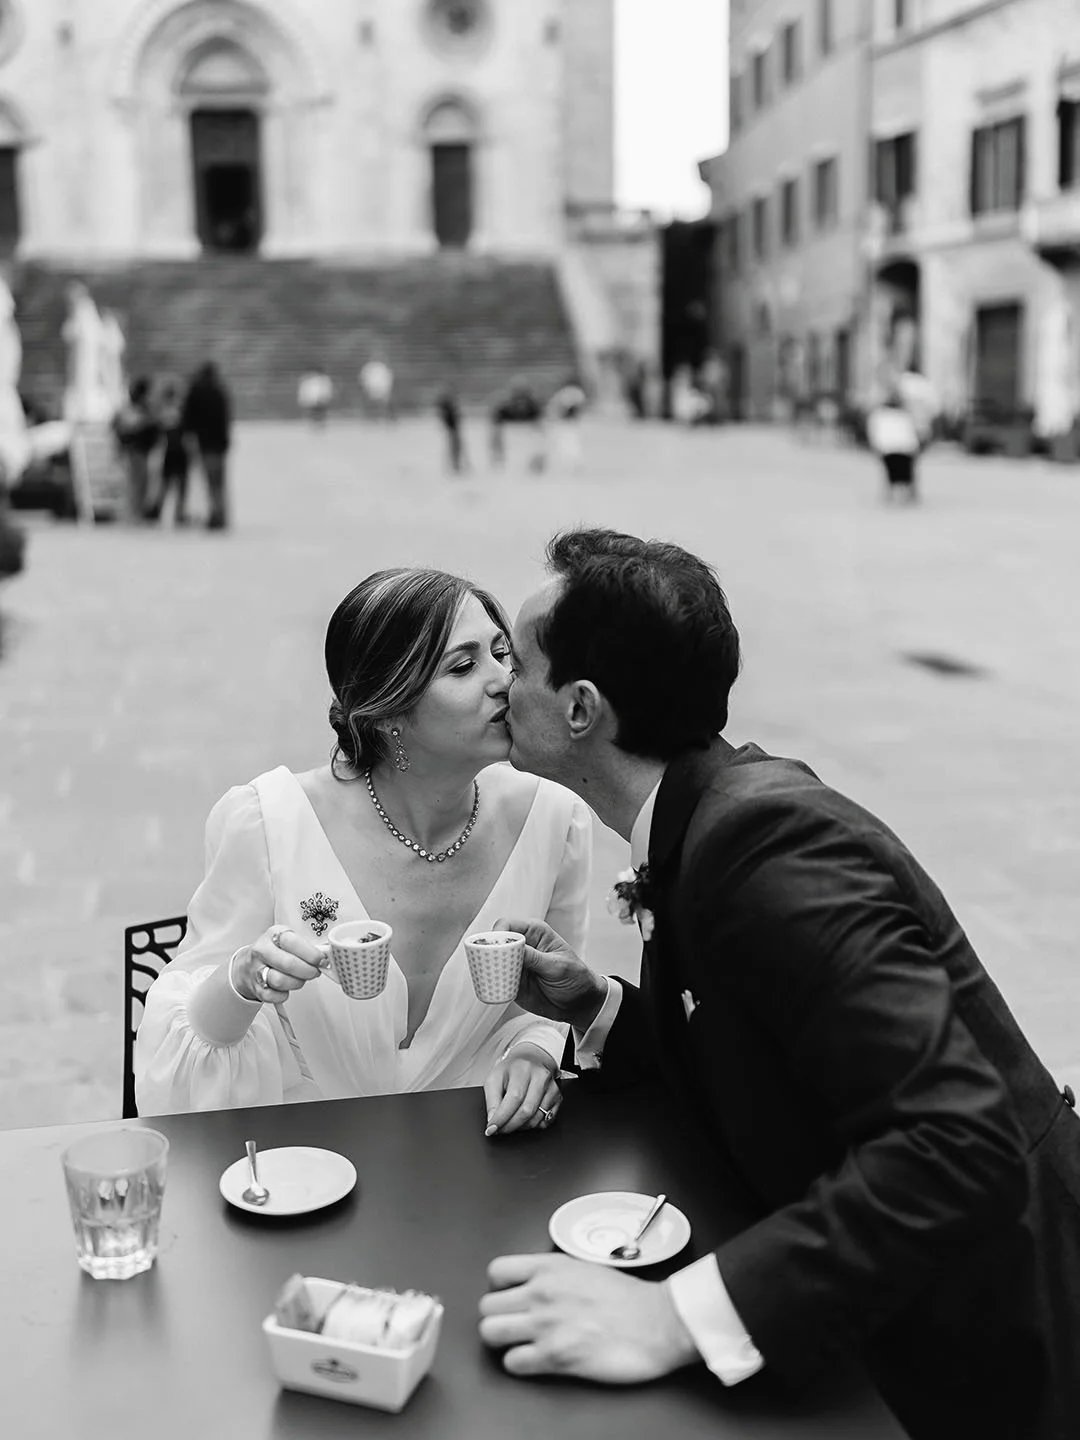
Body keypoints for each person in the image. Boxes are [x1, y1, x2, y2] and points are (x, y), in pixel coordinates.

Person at [478, 527, 1080, 1440]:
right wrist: (597, 1008)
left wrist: (670, 1318)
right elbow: (765, 1036)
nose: (497, 684)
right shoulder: (702, 813)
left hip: (984, 1333)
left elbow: (959, 1138)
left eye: (515, 662)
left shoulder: (768, 847)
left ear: (580, 709)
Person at [134, 567, 591, 1131]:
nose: (504, 682)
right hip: (308, 1170)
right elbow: (182, 1059)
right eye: (464, 665)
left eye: (504, 654)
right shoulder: (269, 823)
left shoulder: (553, 819)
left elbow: (554, 1004)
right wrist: (241, 981)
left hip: (481, 1156)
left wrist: (536, 1050)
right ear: (389, 711)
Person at [182, 362, 232, 530]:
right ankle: (220, 513)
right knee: (219, 481)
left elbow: (188, 419)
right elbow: (225, 419)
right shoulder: (219, 391)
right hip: (218, 444)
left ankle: (216, 513)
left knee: (211, 481)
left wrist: (189, 437)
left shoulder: (196, 392)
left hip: (205, 443)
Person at [113, 377, 160, 522]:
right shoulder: (135, 409)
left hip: (143, 450)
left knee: (141, 482)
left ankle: (137, 511)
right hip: (135, 449)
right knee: (136, 482)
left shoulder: (143, 408)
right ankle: (134, 512)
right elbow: (125, 427)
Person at [867, 386, 922, 504]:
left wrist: (876, 447)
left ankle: (893, 493)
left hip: (889, 448)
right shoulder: (905, 414)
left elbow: (874, 431)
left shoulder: (880, 414)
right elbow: (914, 431)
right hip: (905, 448)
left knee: (893, 472)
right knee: (905, 473)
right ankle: (906, 494)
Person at [149, 381, 191, 526]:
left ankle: (159, 509)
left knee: (167, 483)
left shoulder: (163, 412)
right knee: (178, 484)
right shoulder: (179, 411)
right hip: (177, 450)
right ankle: (178, 512)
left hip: (170, 451)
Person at [436, 386, 468, 475]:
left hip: (454, 430)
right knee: (454, 449)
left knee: (456, 448)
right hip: (452, 431)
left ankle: (456, 466)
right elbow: (451, 419)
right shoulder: (447, 408)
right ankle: (455, 466)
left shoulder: (449, 408)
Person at [359, 356, 395, 421]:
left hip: (382, 390)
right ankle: (371, 417)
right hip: (372, 390)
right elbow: (364, 379)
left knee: (388, 401)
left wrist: (385, 390)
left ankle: (390, 417)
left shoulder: (383, 367)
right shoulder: (368, 367)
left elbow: (388, 379)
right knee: (370, 402)